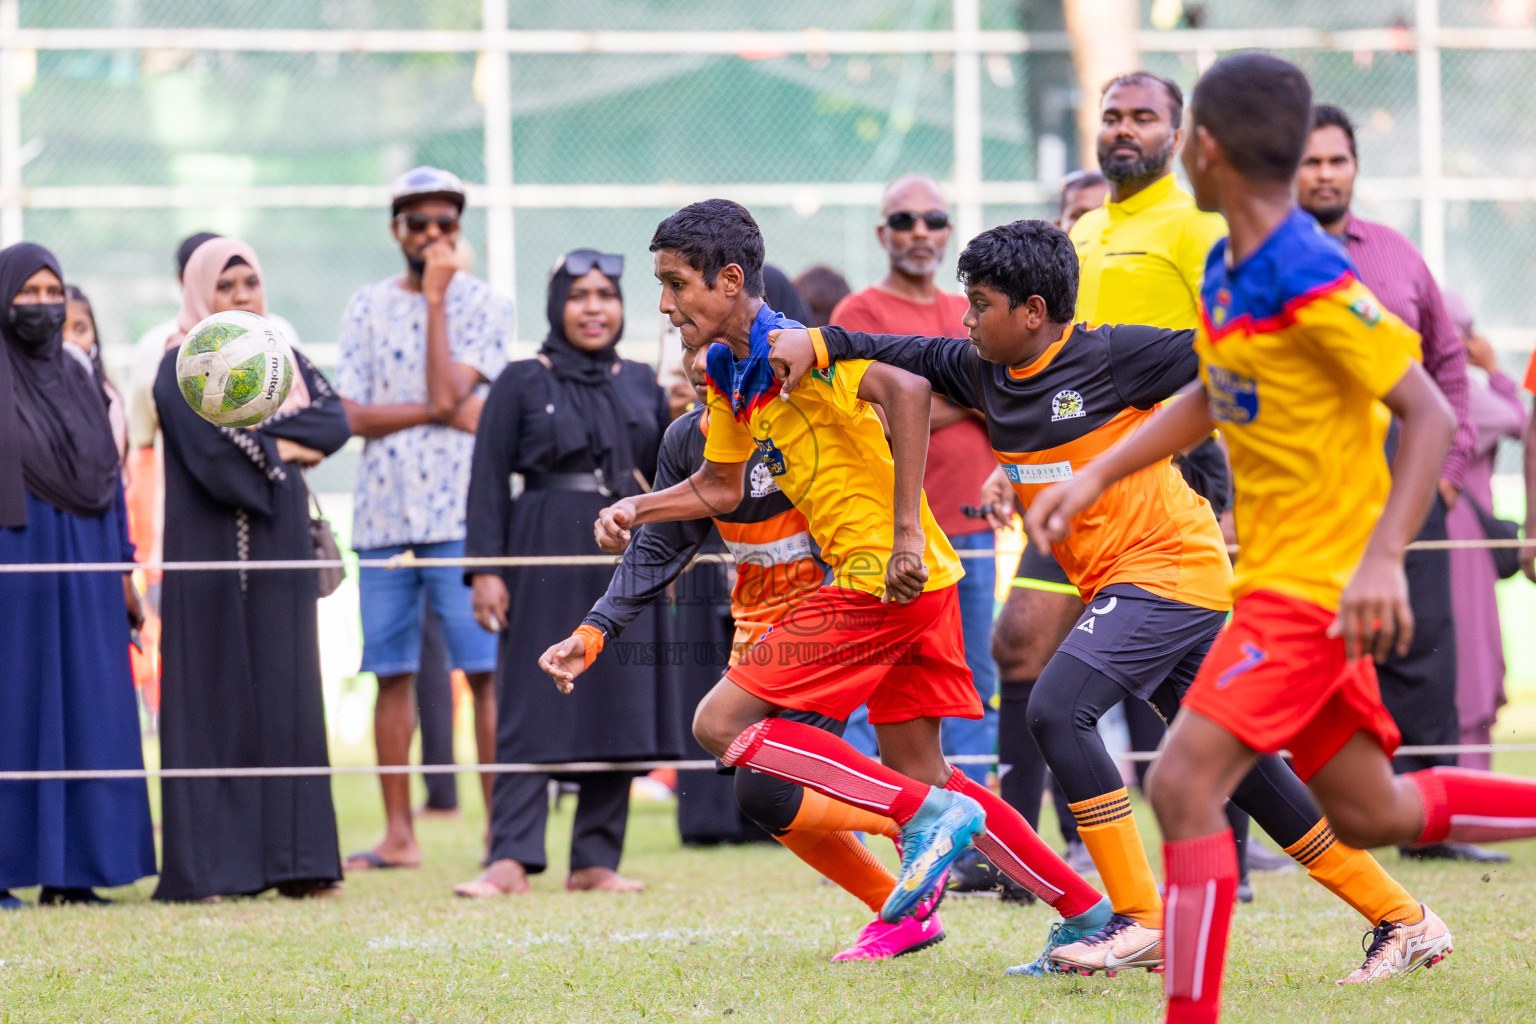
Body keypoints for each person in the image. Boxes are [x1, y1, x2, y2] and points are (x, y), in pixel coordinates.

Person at [771, 218, 1445, 982]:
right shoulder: (983, 369)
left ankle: (1141, 919)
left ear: (1032, 310)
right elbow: (898, 351)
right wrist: (819, 343)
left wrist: (1341, 362)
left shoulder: (1115, 354)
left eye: (979, 303)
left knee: (1057, 709)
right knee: (1251, 773)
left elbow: (1232, 360)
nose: (964, 319)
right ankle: (1404, 918)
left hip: (1170, 571)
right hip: (1130, 585)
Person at [1030, 52, 1536, 1021]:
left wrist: (1384, 556)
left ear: (1204, 148)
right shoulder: (1230, 266)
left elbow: (1426, 412)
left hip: (1314, 591)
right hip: (1284, 582)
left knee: (1181, 781)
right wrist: (1099, 468)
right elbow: (1217, 393)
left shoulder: (1309, 270)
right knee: (1369, 811)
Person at [573, 198, 1115, 972]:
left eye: (675, 283)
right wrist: (638, 504)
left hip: (885, 578)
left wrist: (901, 533)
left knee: (720, 724)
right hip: (917, 582)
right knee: (925, 769)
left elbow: (910, 392)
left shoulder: (796, 342)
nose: (662, 304)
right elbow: (720, 488)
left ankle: (923, 819)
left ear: (730, 281)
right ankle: (1085, 911)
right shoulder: (730, 372)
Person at [537, 334, 948, 960]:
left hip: (846, 620)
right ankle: (923, 860)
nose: (699, 358)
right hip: (764, 636)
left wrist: (901, 545)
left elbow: (898, 426)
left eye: (713, 341)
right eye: (685, 340)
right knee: (771, 789)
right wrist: (593, 630)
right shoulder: (686, 440)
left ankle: (931, 830)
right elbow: (661, 547)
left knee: (774, 788)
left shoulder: (801, 408)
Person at [1298, 106, 1493, 864]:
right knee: (1316, 654)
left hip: (1408, 491)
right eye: (1309, 162)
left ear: (1354, 169)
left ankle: (1432, 828)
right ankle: (1319, 829)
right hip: (1311, 501)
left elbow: (1449, 366)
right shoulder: (1263, 262)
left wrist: (1446, 476)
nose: (1323, 174)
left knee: (1424, 653)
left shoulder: (1398, 255)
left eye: (1335, 161)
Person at [455, 250, 678, 897]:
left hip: (624, 560)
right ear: (558, 304)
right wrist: (486, 572)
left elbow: (672, 475)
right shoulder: (522, 379)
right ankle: (511, 858)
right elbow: (488, 480)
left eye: (606, 295)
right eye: (579, 295)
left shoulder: (642, 381)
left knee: (617, 702)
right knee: (529, 703)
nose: (593, 308)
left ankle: (595, 861)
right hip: (541, 550)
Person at [151, 237, 350, 902]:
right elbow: (218, 462)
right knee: (215, 701)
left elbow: (335, 421)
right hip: (209, 551)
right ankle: (214, 870)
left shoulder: (282, 357)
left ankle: (299, 863)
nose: (241, 299)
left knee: (288, 693)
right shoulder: (179, 366)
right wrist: (285, 446)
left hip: (280, 546)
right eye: (226, 288)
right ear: (199, 294)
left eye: (251, 285)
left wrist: (282, 440)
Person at [334, 166, 509, 871]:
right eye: (419, 223)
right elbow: (349, 415)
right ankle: (398, 835)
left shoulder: (484, 305)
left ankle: (503, 834)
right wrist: (442, 413)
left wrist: (437, 301)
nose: (434, 235)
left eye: (446, 224)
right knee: (391, 672)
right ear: (395, 230)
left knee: (484, 671)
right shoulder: (363, 305)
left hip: (461, 512)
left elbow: (445, 385)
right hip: (382, 517)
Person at [830, 176, 1000, 796]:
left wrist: (928, 397)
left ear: (949, 231)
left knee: (974, 690)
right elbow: (871, 415)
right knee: (867, 691)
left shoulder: (971, 307)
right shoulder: (860, 314)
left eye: (932, 219)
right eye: (904, 221)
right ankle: (857, 827)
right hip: (885, 541)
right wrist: (964, 395)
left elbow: (1002, 395)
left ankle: (974, 841)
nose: (919, 232)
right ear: (883, 234)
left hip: (973, 531)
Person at [0, 242, 155, 910]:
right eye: (25, 293)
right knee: (16, 707)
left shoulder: (80, 375)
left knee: (86, 707)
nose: (40, 306)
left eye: (50, 292)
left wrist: (123, 570)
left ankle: (75, 873)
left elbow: (111, 478)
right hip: (17, 562)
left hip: (88, 563)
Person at [984, 168, 1109, 878]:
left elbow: (1209, 379)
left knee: (1185, 689)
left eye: (1092, 218)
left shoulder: (1174, 248)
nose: (1081, 230)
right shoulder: (1031, 320)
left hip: (1157, 508)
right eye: (1073, 219)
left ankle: (1237, 864)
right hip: (1063, 514)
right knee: (1020, 647)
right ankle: (1017, 851)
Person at [1443, 291, 1524, 772]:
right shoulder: (1467, 391)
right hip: (1462, 542)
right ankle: (1469, 783)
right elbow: (1520, 421)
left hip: (1437, 533)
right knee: (1473, 656)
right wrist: (1495, 369)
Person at [63, 285, 128, 467]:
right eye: (59, 330)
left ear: (94, 334)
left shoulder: (108, 396)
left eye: (80, 329)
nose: (70, 340)